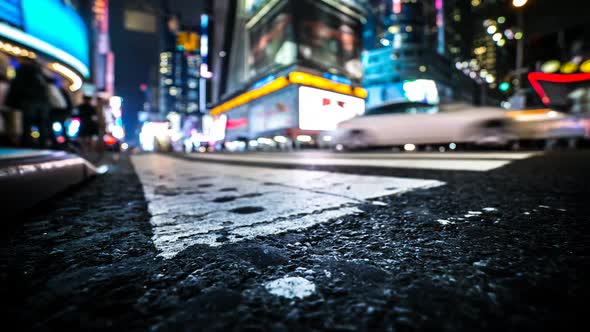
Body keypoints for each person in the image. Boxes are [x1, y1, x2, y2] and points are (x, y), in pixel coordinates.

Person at [5, 60, 50, 148]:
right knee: (41, 125)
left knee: (27, 123)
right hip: (42, 103)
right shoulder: (40, 74)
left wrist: (10, 101)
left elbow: (16, 86)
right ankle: (43, 144)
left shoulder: (22, 71)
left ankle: (28, 143)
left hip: (28, 101)